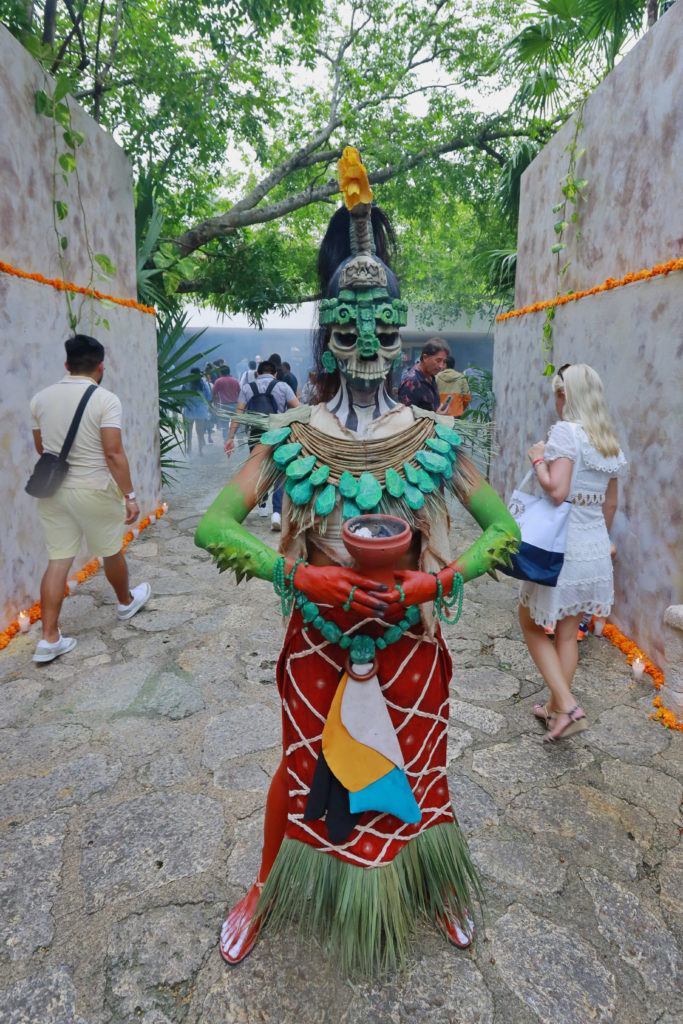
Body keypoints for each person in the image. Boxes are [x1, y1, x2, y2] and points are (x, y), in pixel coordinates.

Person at [196, 147, 519, 975]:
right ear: (331, 330)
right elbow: (215, 526)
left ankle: (432, 879)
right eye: (351, 320)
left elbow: (503, 532)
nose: (368, 335)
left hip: (409, 637)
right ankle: (268, 885)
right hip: (317, 638)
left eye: (383, 317)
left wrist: (434, 580)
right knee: (301, 761)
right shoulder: (292, 432)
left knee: (421, 758)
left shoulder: (436, 437)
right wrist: (296, 575)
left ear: (402, 319)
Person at [519, 363, 627, 742]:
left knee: (530, 622)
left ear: (567, 394)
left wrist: (537, 457)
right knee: (566, 633)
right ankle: (553, 711)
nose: (556, 402)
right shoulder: (608, 442)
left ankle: (567, 704)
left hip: (562, 549)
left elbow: (556, 490)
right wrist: (599, 538)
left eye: (557, 394)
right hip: (593, 547)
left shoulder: (566, 433)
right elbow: (610, 506)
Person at [29, 334, 151, 663]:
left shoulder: (40, 399)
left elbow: (43, 450)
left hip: (53, 493)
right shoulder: (105, 400)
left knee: (58, 560)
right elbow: (113, 453)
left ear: (67, 365)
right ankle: (125, 602)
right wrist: (130, 495)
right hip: (94, 489)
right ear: (100, 367)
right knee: (111, 550)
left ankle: (49, 638)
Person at [224, 360, 299, 531]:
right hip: (278, 434)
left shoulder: (247, 388)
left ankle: (262, 506)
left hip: (255, 435)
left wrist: (230, 438)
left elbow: (238, 414)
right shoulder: (282, 386)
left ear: (257, 374)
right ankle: (277, 513)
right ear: (275, 374)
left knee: (259, 469)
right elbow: (298, 408)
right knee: (279, 471)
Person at [398, 339, 453, 413]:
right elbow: (406, 419)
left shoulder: (431, 377)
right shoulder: (411, 382)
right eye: (438, 360)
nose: (441, 366)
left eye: (444, 361)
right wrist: (437, 417)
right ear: (425, 357)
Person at [183, 367, 212, 455]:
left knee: (188, 432)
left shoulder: (185, 384)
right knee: (200, 432)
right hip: (201, 411)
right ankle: (200, 451)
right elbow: (209, 397)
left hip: (188, 411)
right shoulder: (203, 384)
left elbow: (181, 397)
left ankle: (189, 448)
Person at [212, 365, 240, 440]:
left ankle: (226, 443)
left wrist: (215, 404)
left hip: (224, 405)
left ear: (220, 372)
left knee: (225, 426)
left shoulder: (218, 381)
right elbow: (239, 392)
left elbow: (214, 393)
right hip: (235, 405)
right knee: (236, 425)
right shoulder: (235, 380)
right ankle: (241, 444)